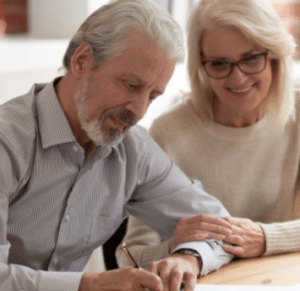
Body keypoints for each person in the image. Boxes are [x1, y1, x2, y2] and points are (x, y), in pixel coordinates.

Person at [0, 0, 235, 291]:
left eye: (152, 95)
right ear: (82, 61)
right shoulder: (7, 142)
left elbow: (221, 229)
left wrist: (188, 258)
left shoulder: (133, 150)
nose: (138, 111)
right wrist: (87, 287)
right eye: (130, 85)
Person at [116, 0, 300, 270]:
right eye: (219, 64)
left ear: (274, 55)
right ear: (201, 66)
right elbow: (130, 257)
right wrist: (174, 248)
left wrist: (264, 238)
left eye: (250, 59)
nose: (237, 79)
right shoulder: (168, 132)